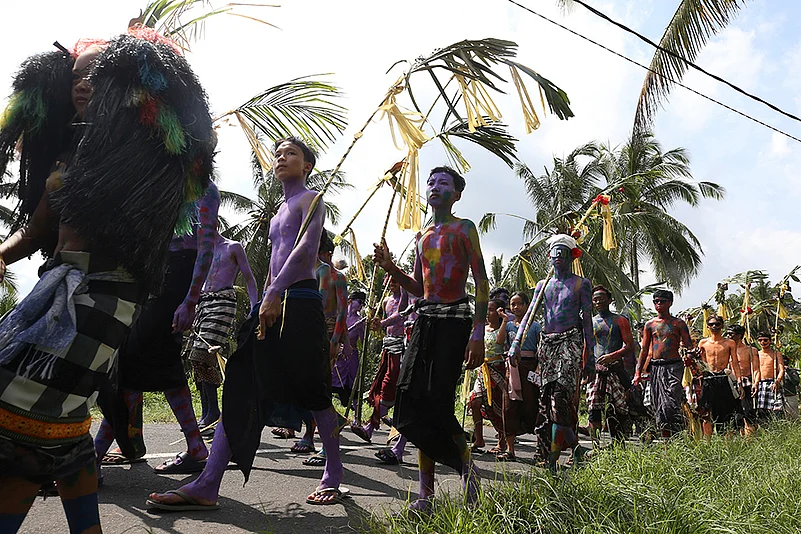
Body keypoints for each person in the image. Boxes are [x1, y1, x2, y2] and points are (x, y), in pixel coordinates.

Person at [0, 32, 214, 533]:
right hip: (53, 288)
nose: (82, 84)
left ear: (126, 84)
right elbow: (36, 229)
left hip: (106, 295)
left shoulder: (144, 157)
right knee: (61, 418)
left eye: (96, 75)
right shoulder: (69, 149)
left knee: (23, 414)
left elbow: (196, 155)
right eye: (76, 75)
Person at [148, 136, 346, 509]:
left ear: (307, 166)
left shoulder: (311, 200)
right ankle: (208, 483)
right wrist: (265, 300)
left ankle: (333, 473)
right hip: (270, 304)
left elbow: (304, 251)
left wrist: (274, 293)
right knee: (240, 386)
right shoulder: (276, 215)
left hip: (300, 301)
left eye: (292, 153)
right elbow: (274, 261)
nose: (282, 157)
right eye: (278, 153)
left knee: (315, 392)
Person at [373, 165, 488, 513]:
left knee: (438, 404)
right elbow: (419, 288)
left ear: (457, 193)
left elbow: (481, 283)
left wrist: (478, 334)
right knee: (410, 402)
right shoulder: (423, 236)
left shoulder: (464, 229)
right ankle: (426, 494)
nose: (435, 187)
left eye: (444, 183)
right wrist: (391, 269)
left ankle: (467, 471)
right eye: (431, 182)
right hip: (424, 321)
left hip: (454, 324)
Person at [95, 182, 219, 475]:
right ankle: (193, 446)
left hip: (178, 278)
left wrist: (190, 300)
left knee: (129, 366)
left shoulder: (204, 189)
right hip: (153, 276)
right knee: (157, 365)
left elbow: (206, 245)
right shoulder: (161, 180)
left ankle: (93, 456)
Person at [514, 234, 593, 472]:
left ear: (571, 257)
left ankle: (552, 461)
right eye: (555, 253)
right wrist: (515, 343)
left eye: (563, 253)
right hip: (547, 344)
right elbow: (529, 316)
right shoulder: (543, 285)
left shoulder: (581, 284)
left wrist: (590, 356)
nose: (558, 257)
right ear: (549, 257)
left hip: (571, 342)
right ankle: (577, 451)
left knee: (559, 397)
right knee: (549, 402)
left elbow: (587, 322)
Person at [184, 231, 259, 430]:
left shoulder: (232, 247)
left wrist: (254, 309)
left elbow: (250, 278)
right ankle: (208, 412)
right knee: (196, 358)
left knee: (202, 354)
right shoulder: (202, 251)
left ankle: (213, 412)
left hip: (223, 302)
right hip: (204, 303)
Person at [353, 275, 408, 447]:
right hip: (388, 346)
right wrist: (376, 323)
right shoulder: (386, 301)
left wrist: (382, 323)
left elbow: (401, 315)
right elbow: (382, 325)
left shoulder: (405, 298)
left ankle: (370, 425)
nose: (392, 284)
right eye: (390, 281)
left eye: (396, 281)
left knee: (389, 386)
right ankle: (371, 426)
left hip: (402, 346)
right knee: (380, 386)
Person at [634, 290, 692, 438]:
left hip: (674, 366)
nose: (658, 304)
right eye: (656, 301)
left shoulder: (678, 323)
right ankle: (667, 440)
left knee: (671, 402)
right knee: (659, 405)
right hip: (656, 367)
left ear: (670, 303)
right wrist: (638, 372)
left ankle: (678, 435)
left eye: (662, 301)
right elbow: (644, 350)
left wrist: (692, 356)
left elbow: (689, 346)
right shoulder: (650, 325)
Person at [586, 285, 634, 446]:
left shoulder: (620, 320)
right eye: (595, 298)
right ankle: (595, 445)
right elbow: (587, 346)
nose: (598, 301)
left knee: (616, 409)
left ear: (609, 300)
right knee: (594, 408)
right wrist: (586, 367)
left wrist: (612, 356)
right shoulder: (590, 322)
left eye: (601, 298)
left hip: (615, 370)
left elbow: (629, 346)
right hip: (596, 372)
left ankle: (618, 445)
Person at [697, 316, 742, 436]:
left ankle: (727, 442)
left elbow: (735, 363)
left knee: (726, 412)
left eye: (717, 324)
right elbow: (699, 363)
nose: (714, 327)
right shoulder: (703, 343)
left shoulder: (729, 343)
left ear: (722, 326)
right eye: (711, 324)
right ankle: (708, 443)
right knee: (706, 412)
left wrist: (739, 382)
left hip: (723, 378)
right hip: (708, 379)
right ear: (707, 327)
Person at [507, 291, 542, 444]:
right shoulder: (507, 325)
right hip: (513, 367)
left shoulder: (535, 326)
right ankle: (510, 439)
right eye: (513, 304)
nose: (516, 307)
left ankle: (536, 435)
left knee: (531, 401)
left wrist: (539, 367)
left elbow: (541, 349)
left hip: (530, 366)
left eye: (519, 303)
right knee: (512, 403)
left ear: (527, 305)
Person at [727, 324, 759, 432]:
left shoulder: (750, 350)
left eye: (731, 334)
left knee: (748, 412)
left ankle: (751, 438)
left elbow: (755, 369)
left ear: (739, 336)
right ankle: (738, 439)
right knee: (735, 414)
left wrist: (755, 383)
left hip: (747, 383)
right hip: (732, 383)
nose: (728, 336)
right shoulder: (726, 350)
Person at [754, 332, 785, 421]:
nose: (763, 342)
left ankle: (778, 428)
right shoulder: (757, 355)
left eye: (765, 340)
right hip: (762, 384)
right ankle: (765, 430)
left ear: (770, 341)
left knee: (777, 409)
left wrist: (777, 381)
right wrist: (756, 383)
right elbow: (756, 370)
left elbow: (781, 369)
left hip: (773, 382)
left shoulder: (776, 354)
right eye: (760, 340)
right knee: (762, 411)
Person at [782, 355, 799, 421]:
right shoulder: (775, 372)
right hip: (781, 397)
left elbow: (796, 382)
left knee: (794, 416)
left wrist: (788, 372)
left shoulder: (792, 371)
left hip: (790, 396)